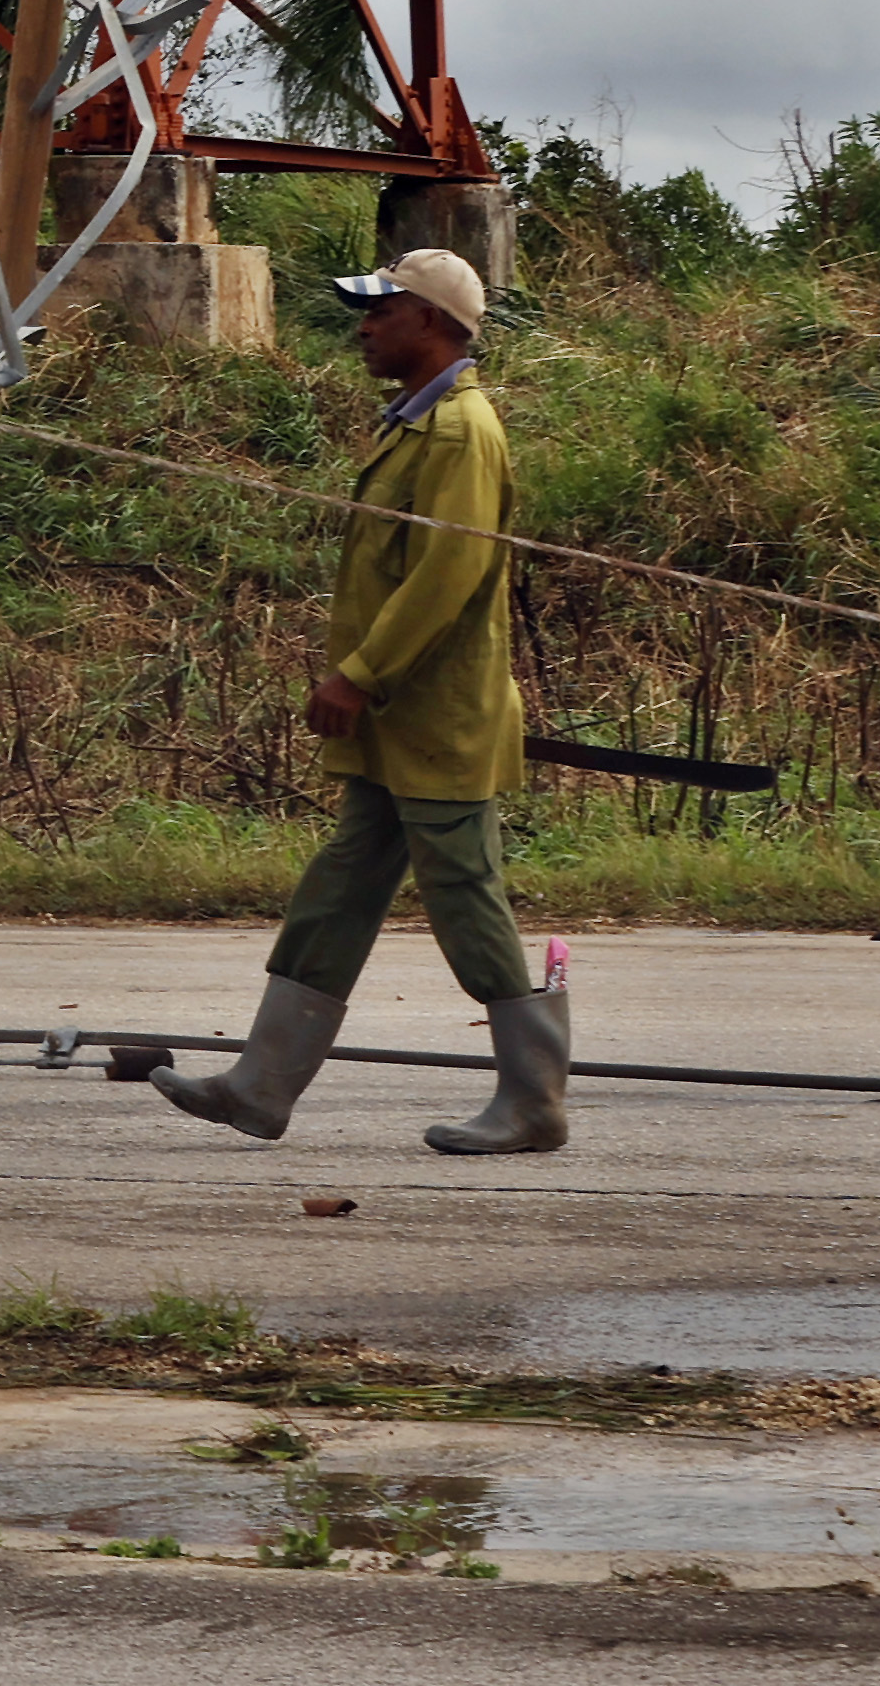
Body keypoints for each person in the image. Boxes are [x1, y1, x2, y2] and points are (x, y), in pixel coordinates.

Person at [151, 244, 567, 1158]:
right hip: (401, 721)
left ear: (433, 322)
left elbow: (444, 574)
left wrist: (361, 673)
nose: (365, 325)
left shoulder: (459, 430)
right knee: (338, 892)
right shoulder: (414, 424)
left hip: (436, 715)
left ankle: (535, 1101)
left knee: (466, 900)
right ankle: (260, 1086)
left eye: (382, 310)